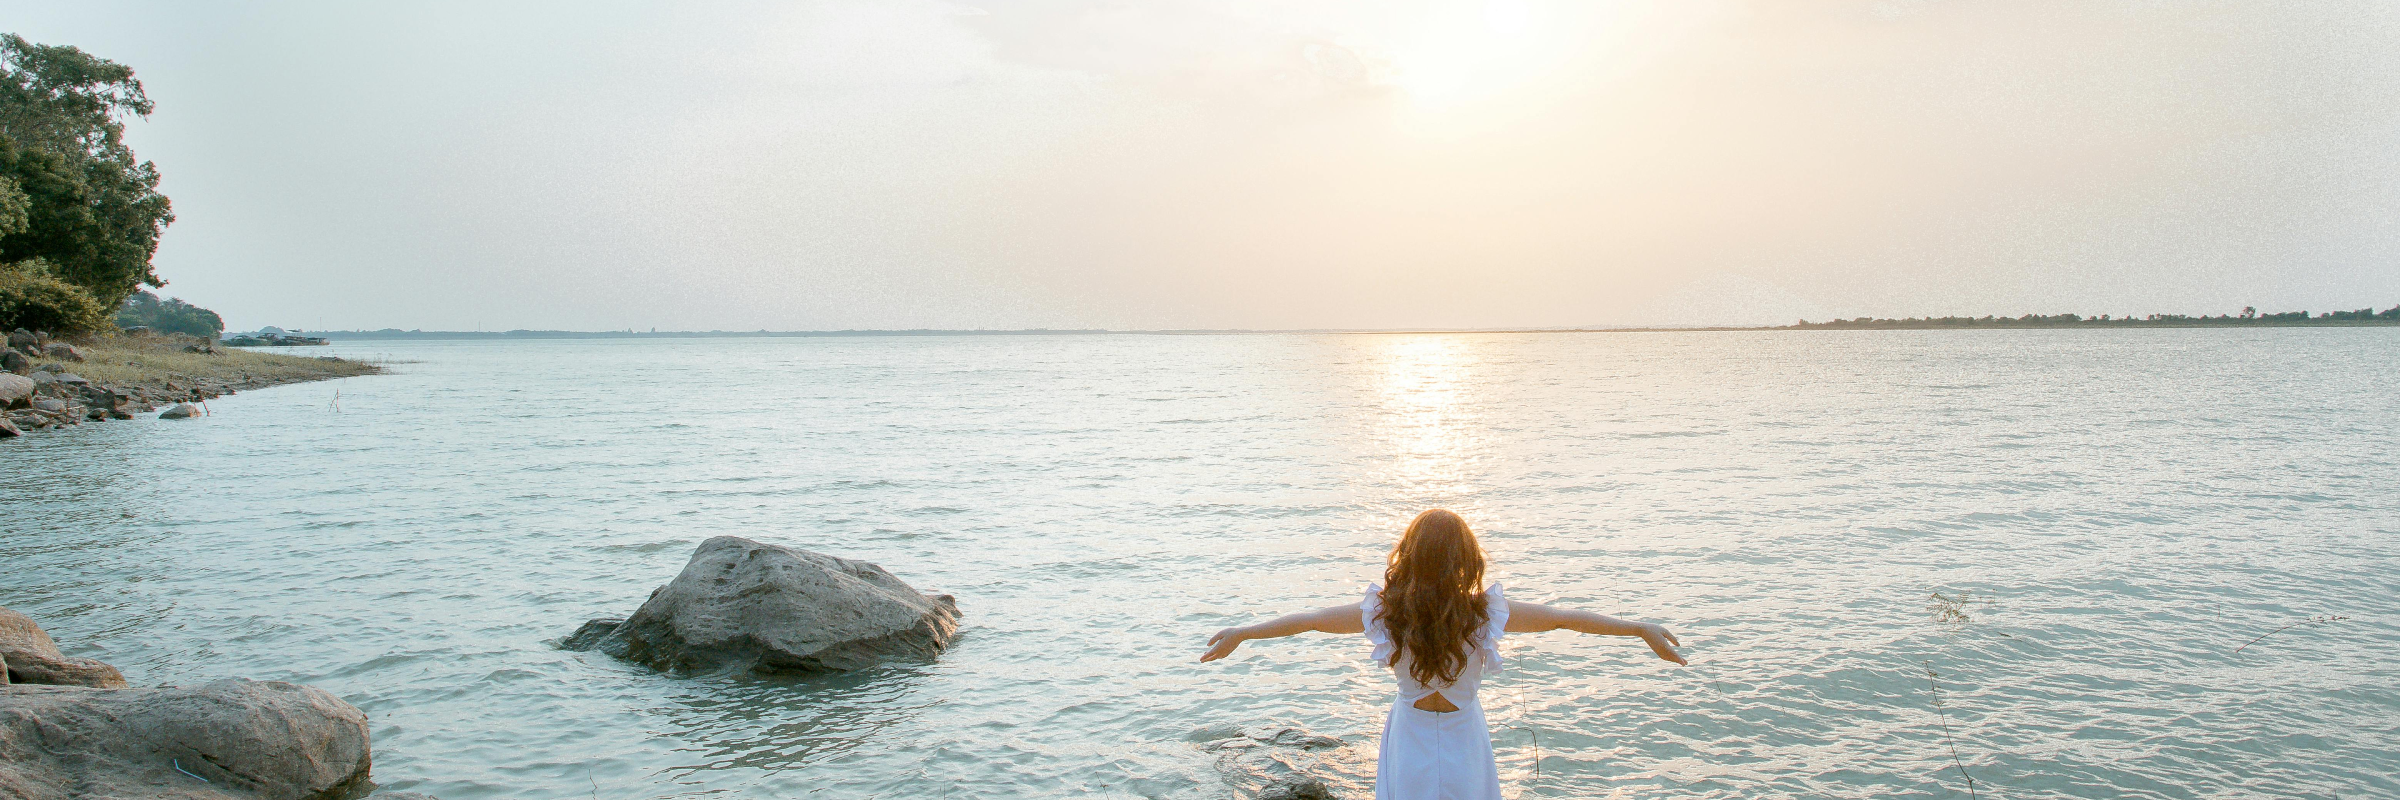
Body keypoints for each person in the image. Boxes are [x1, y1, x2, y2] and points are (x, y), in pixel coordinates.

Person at [1198, 509, 1687, 800]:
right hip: (1464, 737)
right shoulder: (1484, 614)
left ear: (1408, 555)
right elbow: (1563, 617)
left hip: (1408, 738)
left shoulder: (1387, 614)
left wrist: (1244, 632)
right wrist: (1639, 628)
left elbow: (1307, 621)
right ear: (1465, 558)